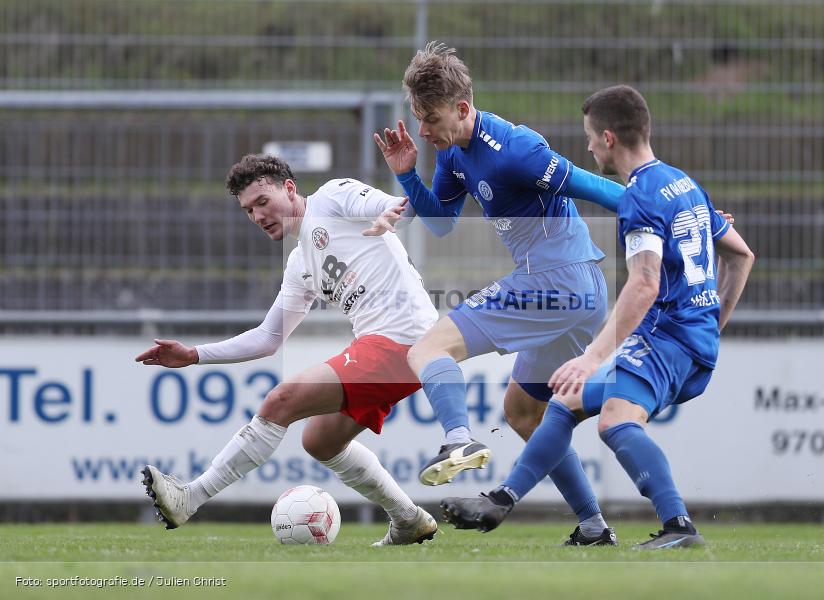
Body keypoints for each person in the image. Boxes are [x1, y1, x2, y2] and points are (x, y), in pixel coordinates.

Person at [440, 85, 755, 549]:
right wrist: (712, 324)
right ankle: (505, 500)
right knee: (564, 404)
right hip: (688, 339)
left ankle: (679, 527)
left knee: (614, 421)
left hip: (666, 340)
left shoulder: (641, 196)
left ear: (608, 138)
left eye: (589, 137)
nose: (586, 147)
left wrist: (594, 356)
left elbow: (645, 282)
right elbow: (742, 255)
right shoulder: (682, 183)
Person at [374, 42, 627, 546]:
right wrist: (406, 171)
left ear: (463, 109)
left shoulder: (515, 148)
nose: (422, 130)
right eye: (418, 118)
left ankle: (459, 441)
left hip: (556, 280)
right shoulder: (453, 154)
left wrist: (692, 219)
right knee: (523, 412)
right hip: (576, 291)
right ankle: (594, 525)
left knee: (427, 348)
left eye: (430, 118)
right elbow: (442, 225)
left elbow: (602, 190)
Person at [135, 153, 440, 546]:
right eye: (248, 211)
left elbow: (397, 204)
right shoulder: (299, 265)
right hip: (383, 346)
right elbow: (268, 338)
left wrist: (388, 213)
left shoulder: (333, 196)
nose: (258, 216)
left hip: (404, 339)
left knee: (282, 399)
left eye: (263, 202)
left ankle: (190, 497)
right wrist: (195, 354)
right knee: (320, 441)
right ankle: (408, 520)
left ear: (290, 188)